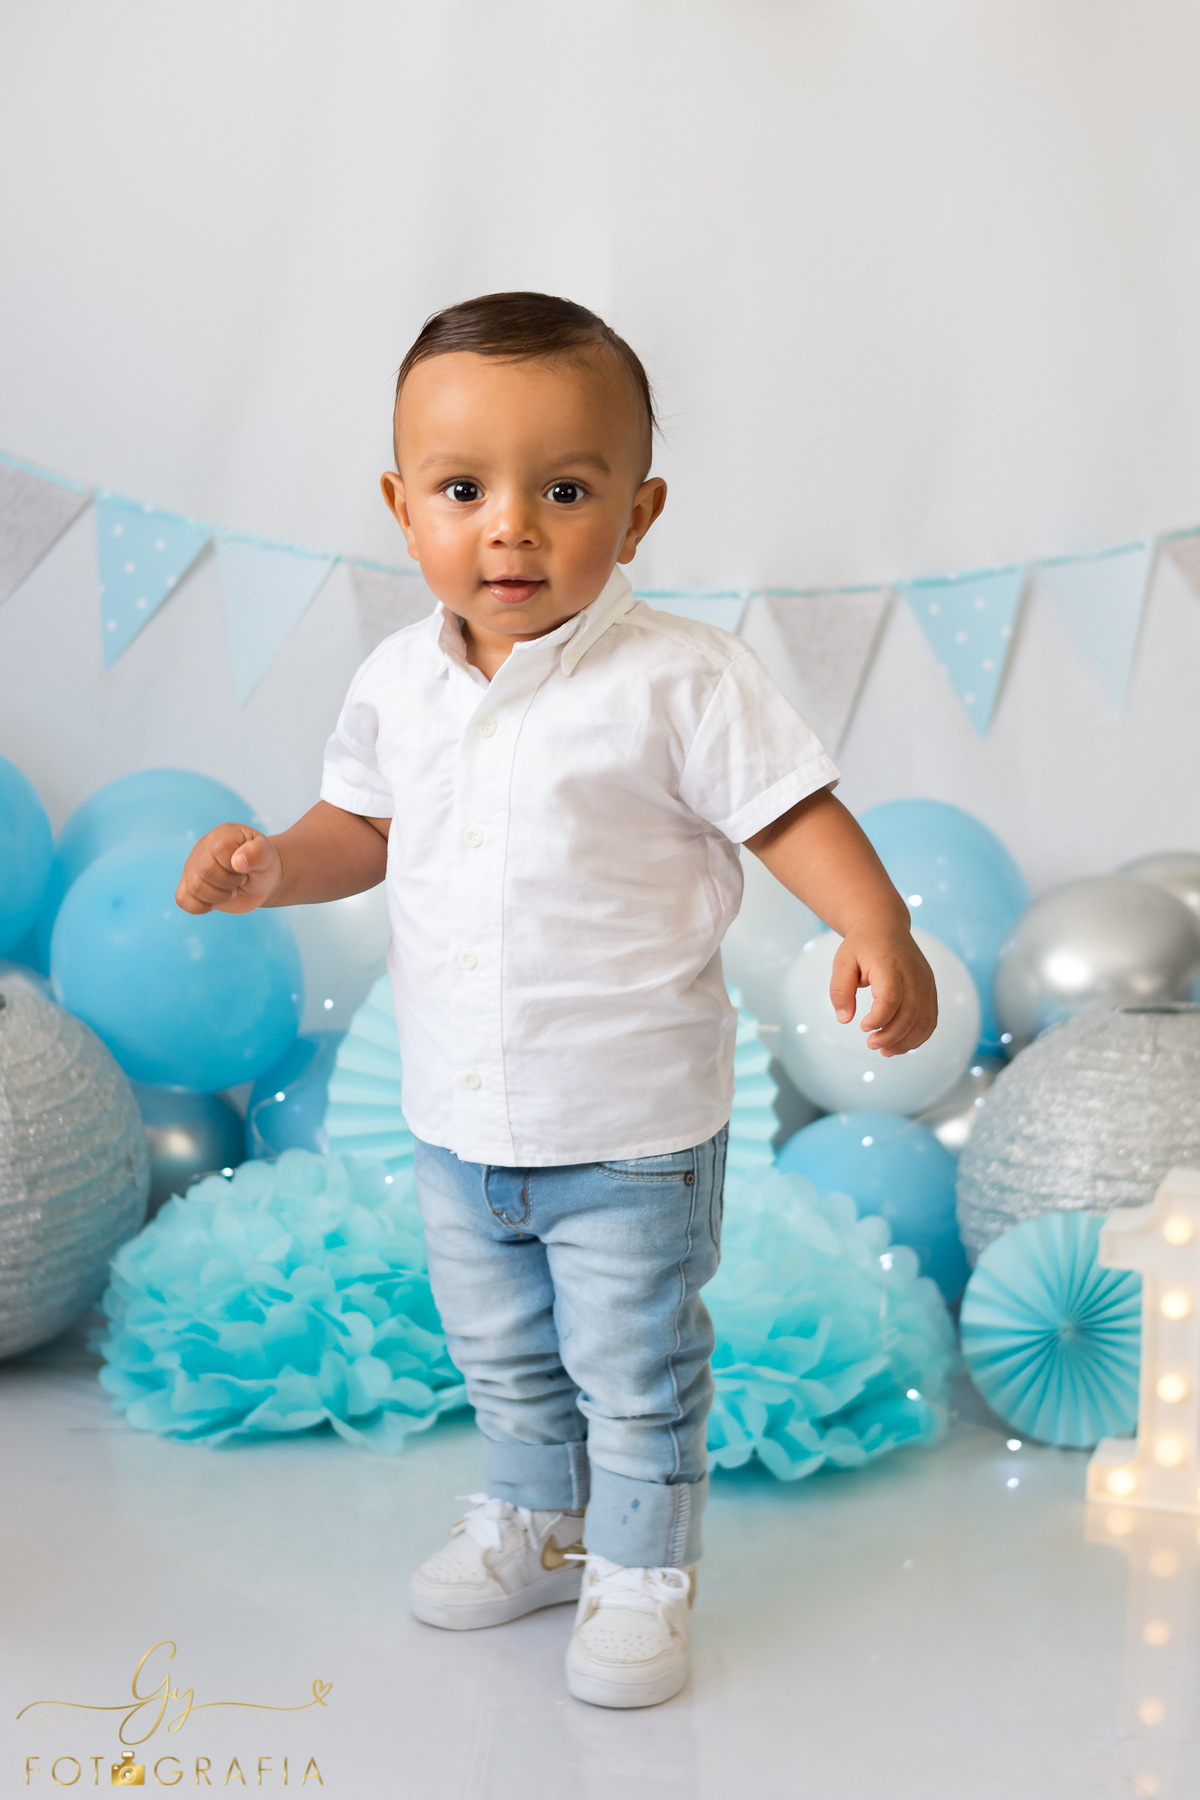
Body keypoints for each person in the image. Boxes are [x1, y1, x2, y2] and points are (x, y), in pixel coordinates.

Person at [176, 291, 936, 1710]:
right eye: (465, 490)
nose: (511, 528)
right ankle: (539, 1520)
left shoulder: (681, 680)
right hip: (457, 1118)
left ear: (639, 514)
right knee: (503, 1354)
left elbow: (790, 814)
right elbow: (364, 828)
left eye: (566, 491)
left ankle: (642, 1568)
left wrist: (874, 921)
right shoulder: (397, 682)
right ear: (404, 509)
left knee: (634, 1364)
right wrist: (274, 864)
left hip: (632, 1126)